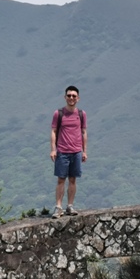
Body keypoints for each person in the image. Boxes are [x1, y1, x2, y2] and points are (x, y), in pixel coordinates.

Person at [50, 85, 87, 217]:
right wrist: (53, 150)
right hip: (62, 151)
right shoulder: (59, 114)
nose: (71, 98)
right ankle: (58, 207)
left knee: (73, 180)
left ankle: (70, 206)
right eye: (69, 95)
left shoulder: (81, 114)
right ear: (65, 97)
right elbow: (54, 131)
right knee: (61, 179)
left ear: (78, 98)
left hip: (76, 151)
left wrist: (84, 151)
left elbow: (83, 132)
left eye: (74, 96)